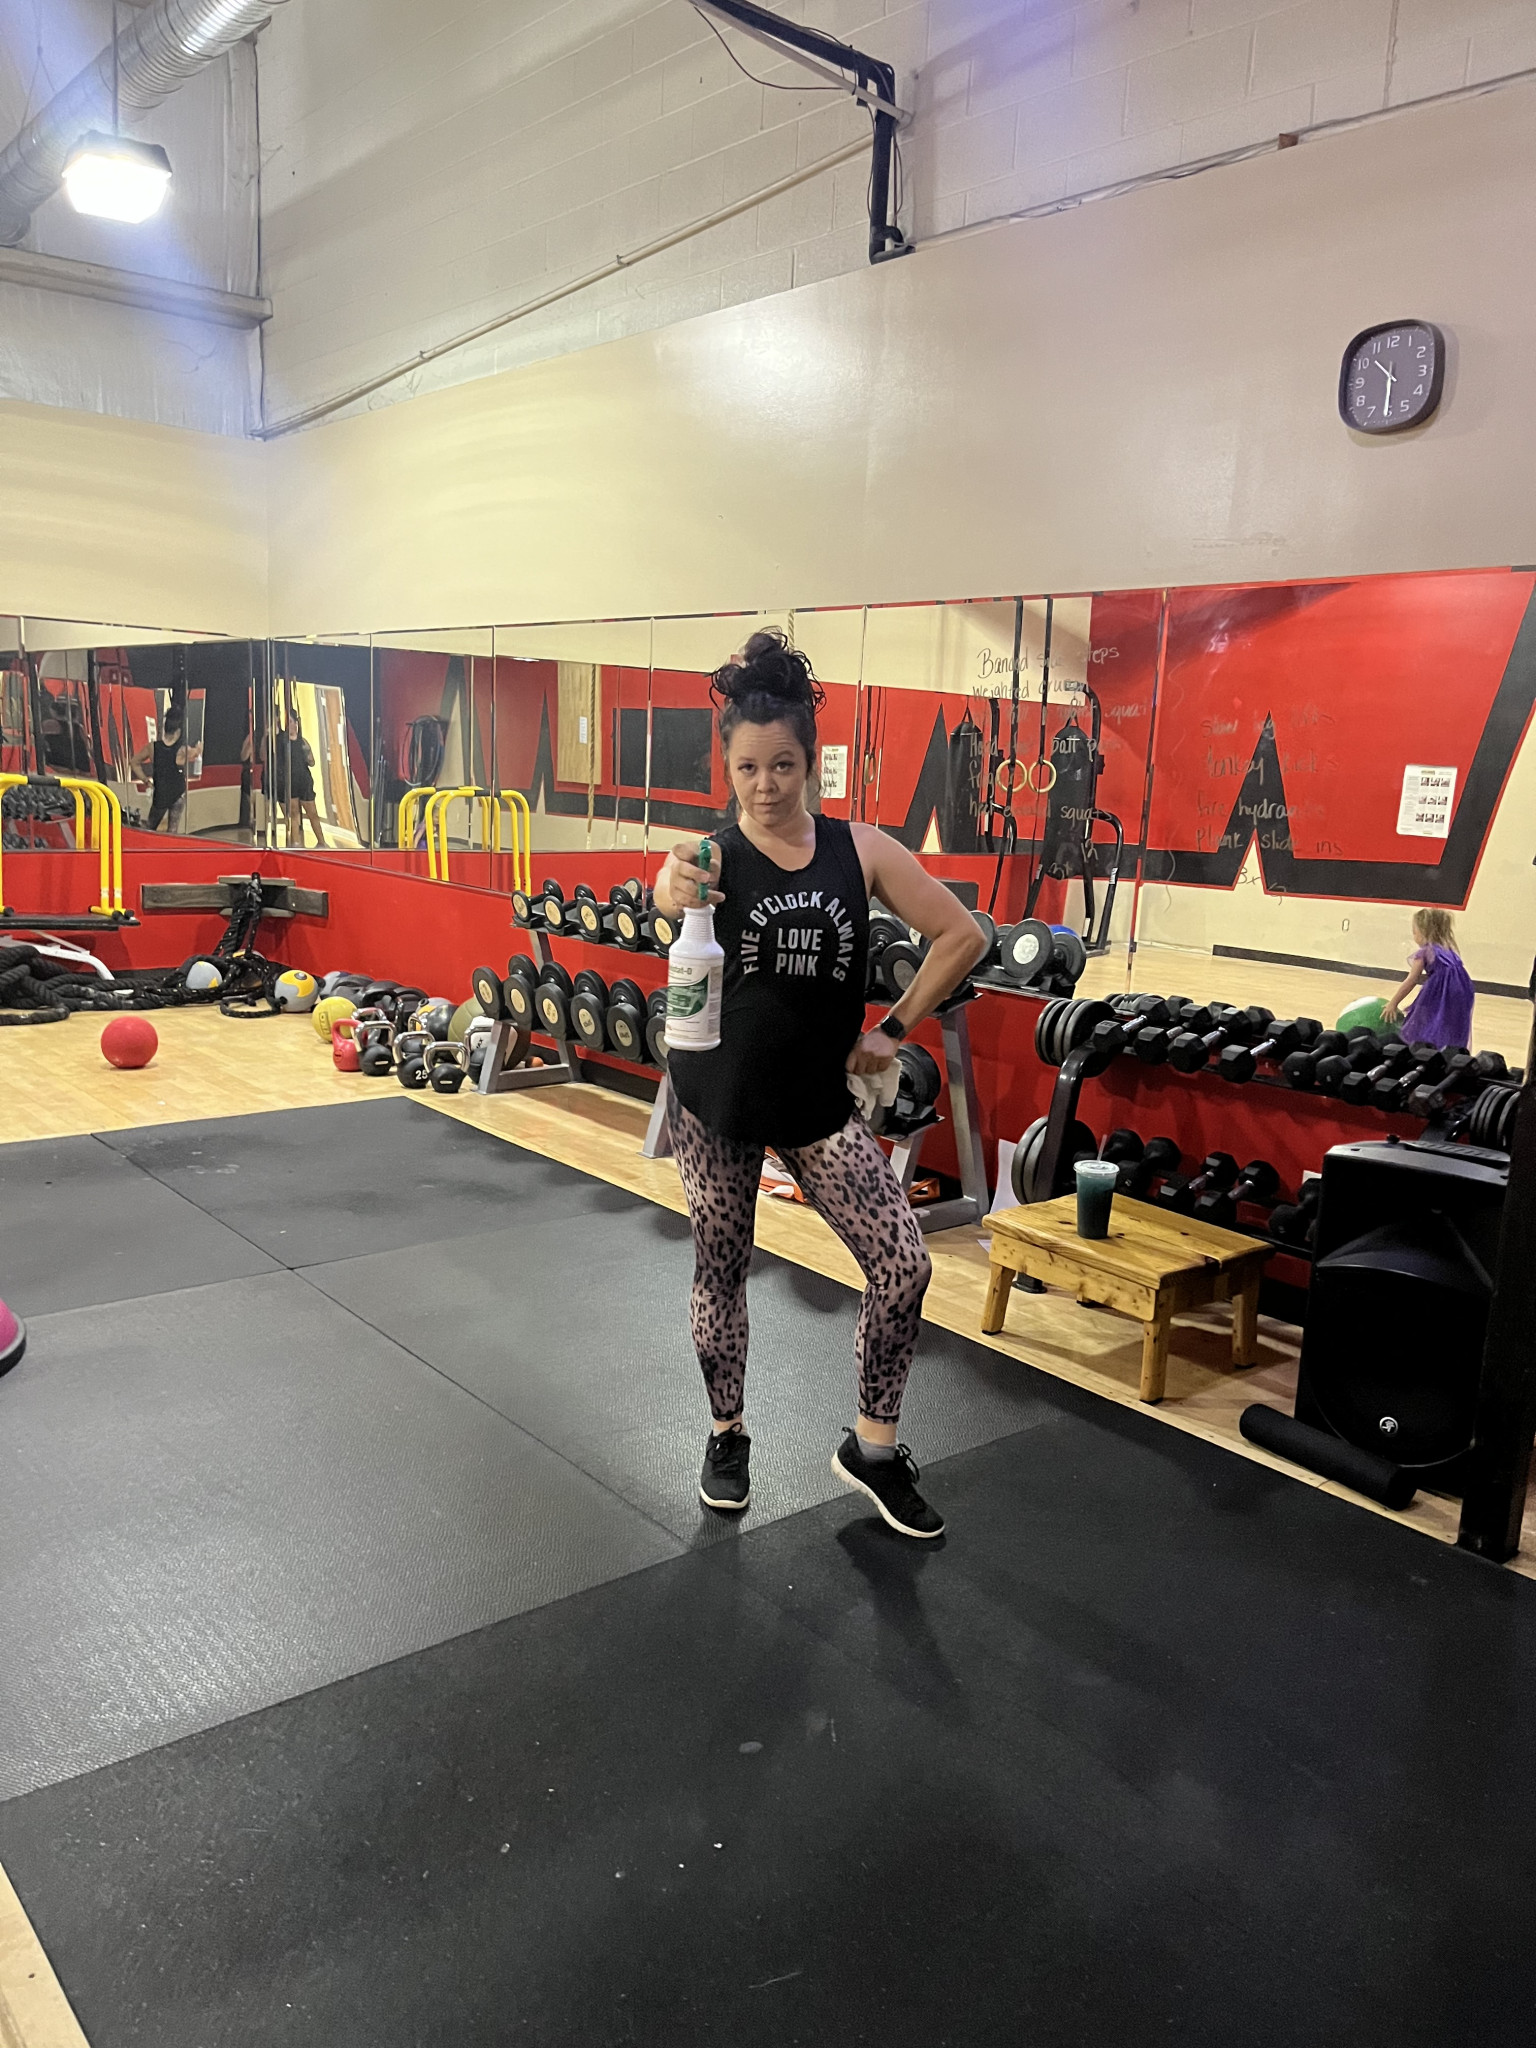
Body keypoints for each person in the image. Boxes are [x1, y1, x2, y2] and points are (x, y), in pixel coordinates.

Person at [656, 629, 986, 1539]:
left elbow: (962, 935)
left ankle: (872, 1449)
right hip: (716, 1101)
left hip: (815, 1104)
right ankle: (727, 1435)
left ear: (812, 762)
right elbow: (668, 888)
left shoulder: (860, 851)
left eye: (784, 766)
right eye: (748, 768)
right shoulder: (715, 856)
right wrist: (672, 884)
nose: (766, 786)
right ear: (727, 768)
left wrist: (893, 1030)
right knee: (721, 1266)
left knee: (905, 1264)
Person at [1383, 907, 1475, 1049]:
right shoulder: (1448, 949)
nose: (1414, 936)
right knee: (1450, 1022)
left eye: (1414, 932)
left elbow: (1412, 980)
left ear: (1423, 932)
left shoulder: (1425, 952)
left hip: (1440, 990)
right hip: (1463, 990)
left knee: (1423, 1018)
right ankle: (1450, 1049)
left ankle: (1423, 1047)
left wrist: (1393, 1003)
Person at [277, 708, 327, 848]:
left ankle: (321, 842)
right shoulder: (282, 742)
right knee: (294, 813)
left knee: (312, 812)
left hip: (304, 781)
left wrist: (308, 755)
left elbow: (312, 762)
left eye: (293, 722)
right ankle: (295, 842)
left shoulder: (302, 741)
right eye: (289, 722)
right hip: (290, 781)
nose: (291, 725)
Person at [135, 710, 188, 834]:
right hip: (178, 793)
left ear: (164, 728)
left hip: (161, 793)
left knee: (150, 828)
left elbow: (134, 762)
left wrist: (145, 780)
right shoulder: (182, 750)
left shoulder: (152, 747)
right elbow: (196, 753)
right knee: (172, 831)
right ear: (178, 732)